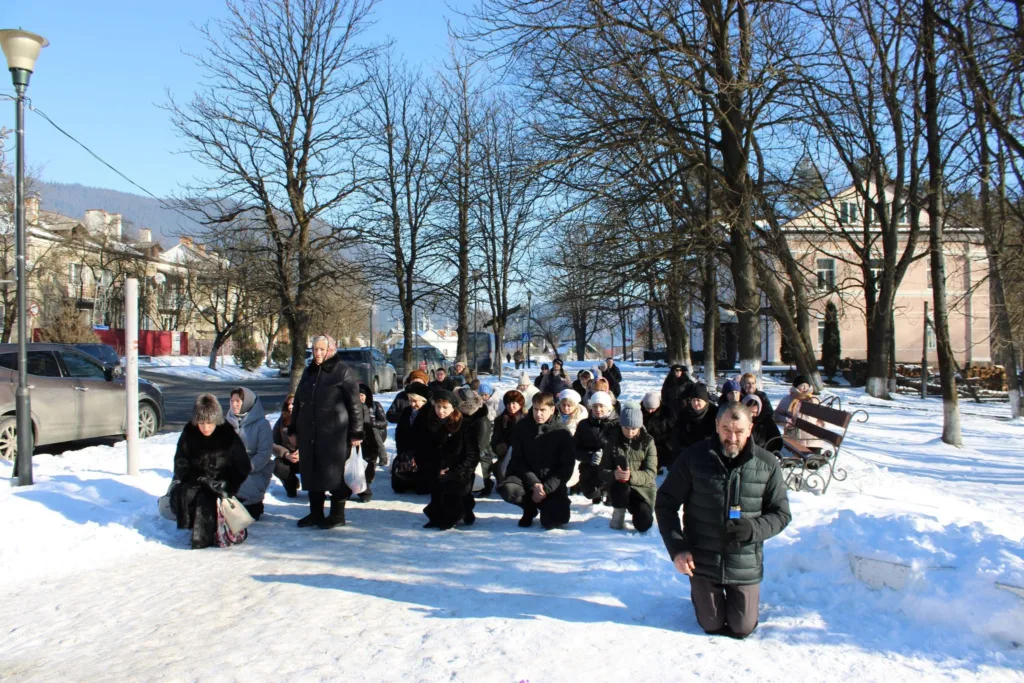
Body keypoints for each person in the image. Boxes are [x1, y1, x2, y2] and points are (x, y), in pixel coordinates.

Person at [655, 402, 792, 638]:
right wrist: (678, 548)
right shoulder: (693, 458)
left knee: (742, 628)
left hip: (744, 561)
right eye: (726, 429)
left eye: (739, 431)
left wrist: (753, 528)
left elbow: (781, 514)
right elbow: (665, 502)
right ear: (717, 425)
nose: (732, 437)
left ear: (750, 428)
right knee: (711, 624)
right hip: (703, 559)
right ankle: (704, 596)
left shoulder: (767, 464)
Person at [291, 334, 363, 529]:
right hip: (310, 432)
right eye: (315, 349)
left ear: (331, 349)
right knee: (312, 473)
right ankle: (316, 514)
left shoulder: (343, 372)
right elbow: (298, 401)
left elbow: (355, 405)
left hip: (335, 433)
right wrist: (293, 427)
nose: (318, 353)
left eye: (322, 349)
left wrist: (356, 433)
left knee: (335, 475)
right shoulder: (309, 372)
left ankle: (337, 515)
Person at [169, 394, 251, 549]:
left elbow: (242, 466)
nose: (206, 427)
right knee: (190, 495)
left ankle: (207, 535)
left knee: (210, 498)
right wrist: (200, 479)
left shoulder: (227, 434)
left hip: (222, 485)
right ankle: (198, 531)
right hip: (196, 483)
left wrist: (227, 484)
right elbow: (180, 463)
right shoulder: (189, 433)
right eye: (201, 423)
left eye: (209, 423)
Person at [499, 392, 576, 529]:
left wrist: (545, 489)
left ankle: (548, 505)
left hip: (551, 483)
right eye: (535, 409)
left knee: (554, 521)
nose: (538, 414)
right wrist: (534, 483)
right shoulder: (521, 427)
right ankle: (529, 509)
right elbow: (518, 459)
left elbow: (566, 467)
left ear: (552, 410)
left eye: (542, 410)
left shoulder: (562, 433)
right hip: (526, 479)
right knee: (509, 489)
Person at [420, 390, 477, 530]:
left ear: (453, 407)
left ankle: (464, 511)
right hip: (437, 469)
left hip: (459, 470)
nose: (441, 411)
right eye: (438, 407)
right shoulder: (429, 423)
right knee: (437, 493)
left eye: (445, 407)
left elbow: (472, 454)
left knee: (454, 499)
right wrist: (434, 468)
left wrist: (455, 472)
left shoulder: (464, 425)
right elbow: (423, 450)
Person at [599, 402, 658, 531]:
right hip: (619, 487)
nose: (630, 432)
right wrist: (614, 474)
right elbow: (602, 470)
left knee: (644, 524)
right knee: (621, 487)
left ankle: (636, 509)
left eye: (633, 428)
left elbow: (651, 472)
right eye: (626, 428)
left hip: (642, 488)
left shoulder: (648, 442)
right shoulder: (612, 440)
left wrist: (631, 475)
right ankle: (618, 514)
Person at [227, 387, 274, 520]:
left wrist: (246, 467)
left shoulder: (262, 424)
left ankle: (253, 503)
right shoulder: (226, 422)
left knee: (249, 514)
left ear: (247, 402)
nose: (234, 404)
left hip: (254, 469)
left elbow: (264, 452)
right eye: (232, 401)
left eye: (238, 401)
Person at [573, 390, 618, 502]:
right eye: (595, 406)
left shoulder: (618, 424)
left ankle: (609, 490)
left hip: (612, 466)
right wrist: (590, 456)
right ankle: (598, 491)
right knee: (589, 493)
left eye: (601, 406)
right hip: (590, 465)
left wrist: (607, 455)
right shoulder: (584, 425)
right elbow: (575, 448)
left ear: (608, 406)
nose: (598, 410)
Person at [391, 383, 430, 494]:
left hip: (423, 454)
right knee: (399, 485)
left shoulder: (429, 413)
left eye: (415, 401)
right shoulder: (407, 411)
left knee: (421, 488)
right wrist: (402, 452)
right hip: (406, 451)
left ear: (423, 400)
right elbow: (399, 433)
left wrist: (417, 455)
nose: (412, 404)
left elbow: (430, 438)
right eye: (410, 400)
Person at [458, 386, 493, 500]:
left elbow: (480, 445)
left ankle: (485, 484)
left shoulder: (481, 419)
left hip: (480, 457)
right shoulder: (461, 414)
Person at [354, 382, 387, 502]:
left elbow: (384, 422)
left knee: (368, 461)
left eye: (362, 394)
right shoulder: (351, 407)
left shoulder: (375, 405)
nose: (360, 397)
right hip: (357, 436)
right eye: (358, 395)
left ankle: (383, 456)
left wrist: (373, 424)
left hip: (373, 434)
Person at [491, 390, 526, 485]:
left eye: (514, 403)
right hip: (504, 452)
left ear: (520, 404)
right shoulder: (500, 419)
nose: (511, 406)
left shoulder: (527, 419)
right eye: (508, 403)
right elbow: (495, 438)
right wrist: (498, 447)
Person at [271, 394, 301, 497]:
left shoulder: (309, 419)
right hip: (288, 457)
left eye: (293, 404)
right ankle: (292, 484)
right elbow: (273, 444)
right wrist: (286, 454)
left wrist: (303, 452)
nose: (290, 407)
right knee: (276, 465)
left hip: (307, 458)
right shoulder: (281, 421)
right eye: (288, 404)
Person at [674, 383, 718, 453]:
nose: (695, 403)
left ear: (705, 401)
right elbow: (677, 436)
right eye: (693, 400)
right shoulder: (684, 414)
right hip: (688, 453)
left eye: (698, 400)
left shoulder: (715, 414)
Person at [640, 391, 674, 472]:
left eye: (653, 409)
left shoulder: (666, 412)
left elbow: (673, 430)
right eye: (647, 408)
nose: (650, 411)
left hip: (661, 444)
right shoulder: (639, 411)